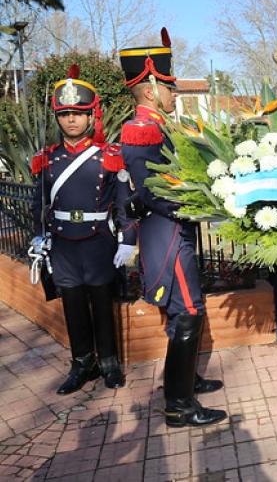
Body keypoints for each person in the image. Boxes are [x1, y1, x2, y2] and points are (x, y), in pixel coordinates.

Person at [119, 28, 226, 427]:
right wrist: (203, 207)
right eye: (169, 87)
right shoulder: (142, 129)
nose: (175, 93)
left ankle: (186, 381)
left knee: (185, 308)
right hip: (166, 233)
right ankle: (179, 404)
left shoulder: (160, 126)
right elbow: (153, 191)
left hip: (172, 229)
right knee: (188, 311)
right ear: (149, 90)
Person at [30, 64, 136, 394]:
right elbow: (38, 203)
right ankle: (81, 363)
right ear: (57, 118)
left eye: (78, 113)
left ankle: (109, 362)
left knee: (102, 303)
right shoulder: (47, 159)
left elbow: (124, 203)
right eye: (64, 114)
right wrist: (38, 235)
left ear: (92, 116)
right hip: (63, 243)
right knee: (73, 305)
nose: (71, 120)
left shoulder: (109, 156)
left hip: (98, 241)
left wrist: (128, 239)